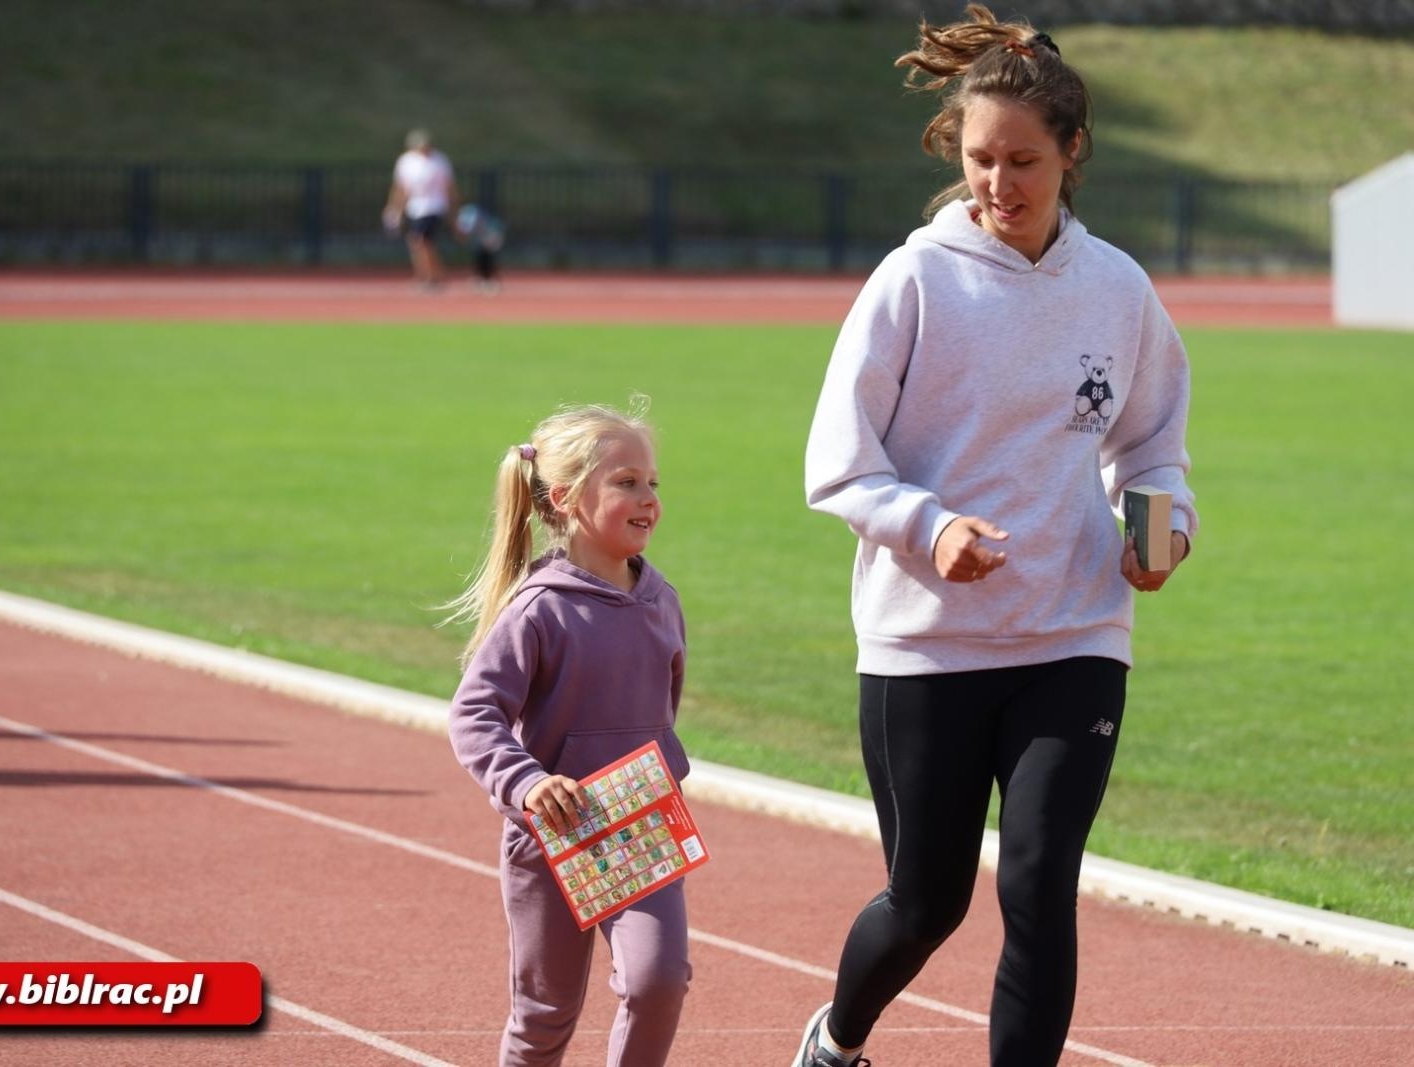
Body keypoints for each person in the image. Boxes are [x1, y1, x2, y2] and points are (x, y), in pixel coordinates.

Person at [792, 6, 1196, 1067]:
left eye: (1024, 162)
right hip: (926, 643)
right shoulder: (914, 280)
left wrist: (1161, 529)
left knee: (1038, 883)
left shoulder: (1118, 289)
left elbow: (1151, 447)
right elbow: (838, 461)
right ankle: (836, 1040)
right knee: (927, 902)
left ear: (1072, 152)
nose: (998, 184)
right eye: (980, 159)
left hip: (1074, 633)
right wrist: (930, 529)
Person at [446, 401, 692, 1066]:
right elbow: (474, 713)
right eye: (626, 482)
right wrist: (527, 784)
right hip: (552, 836)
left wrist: (662, 773)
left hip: (638, 826)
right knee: (545, 1015)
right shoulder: (538, 609)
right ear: (564, 498)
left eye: (652, 482)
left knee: (658, 979)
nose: (648, 498)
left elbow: (662, 709)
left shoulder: (662, 600)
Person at [383, 128, 457, 289]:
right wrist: (395, 208)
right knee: (420, 243)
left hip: (434, 207)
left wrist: (453, 212)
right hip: (415, 208)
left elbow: (449, 187)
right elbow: (401, 188)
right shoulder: (406, 161)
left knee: (420, 240)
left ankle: (432, 275)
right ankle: (429, 275)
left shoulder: (439, 161)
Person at [455, 202, 506, 292]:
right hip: (481, 237)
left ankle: (489, 278)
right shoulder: (464, 214)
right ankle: (482, 277)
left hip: (490, 235)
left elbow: (466, 230)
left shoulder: (471, 214)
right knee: (480, 255)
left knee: (487, 254)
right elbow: (464, 231)